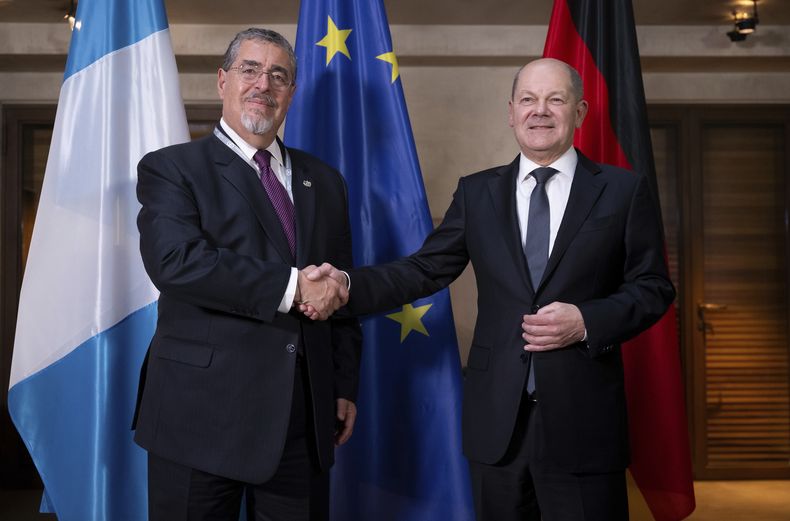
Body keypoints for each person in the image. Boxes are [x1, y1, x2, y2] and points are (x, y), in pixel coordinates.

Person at [304, 58, 675, 521]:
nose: (540, 111)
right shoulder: (478, 193)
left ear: (579, 112)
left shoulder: (622, 191)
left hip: (584, 421)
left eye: (555, 100)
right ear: (511, 111)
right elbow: (424, 270)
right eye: (528, 100)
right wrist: (345, 283)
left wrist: (587, 321)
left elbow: (653, 286)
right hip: (496, 424)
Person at [132, 28, 361, 521]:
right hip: (197, 418)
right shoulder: (172, 169)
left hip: (300, 420)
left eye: (278, 75)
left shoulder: (325, 181)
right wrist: (291, 285)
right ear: (222, 80)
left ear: (291, 93)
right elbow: (176, 263)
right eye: (250, 69)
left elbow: (340, 289)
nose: (264, 84)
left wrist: (341, 384)